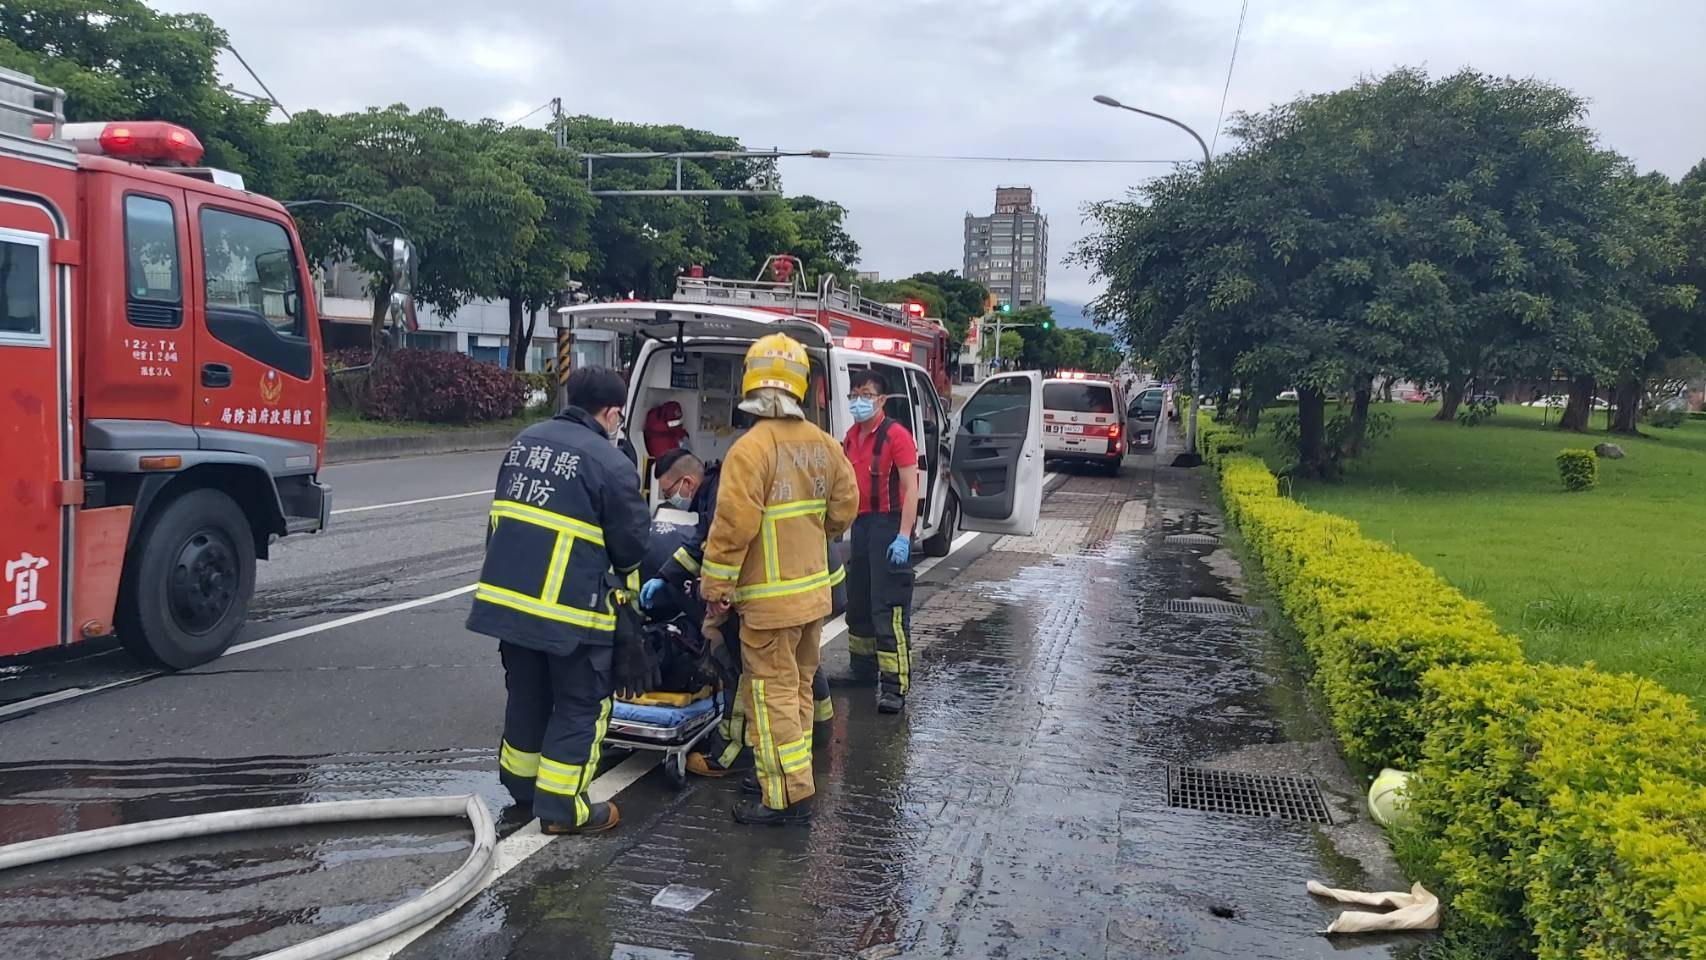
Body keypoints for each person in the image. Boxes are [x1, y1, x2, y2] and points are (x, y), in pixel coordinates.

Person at [466, 367, 651, 835]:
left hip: (510, 606)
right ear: (612, 413)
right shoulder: (610, 463)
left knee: (527, 695)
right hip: (572, 614)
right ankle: (564, 808)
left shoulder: (525, 441)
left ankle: (523, 788)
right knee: (580, 702)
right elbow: (631, 546)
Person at [699, 334, 858, 825]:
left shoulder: (751, 449)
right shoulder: (825, 444)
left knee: (771, 700)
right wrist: (817, 533)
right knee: (801, 689)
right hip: (813, 596)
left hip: (768, 604)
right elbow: (845, 507)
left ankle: (782, 798)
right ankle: (799, 780)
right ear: (800, 386)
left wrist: (715, 589)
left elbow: (732, 528)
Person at [641, 449, 839, 778]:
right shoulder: (720, 489)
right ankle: (818, 730)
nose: (668, 498)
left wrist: (720, 593)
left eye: (668, 491)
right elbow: (704, 543)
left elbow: (728, 545)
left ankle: (732, 754)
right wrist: (665, 576)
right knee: (801, 662)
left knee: (738, 665)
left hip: (773, 590)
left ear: (687, 482)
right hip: (808, 583)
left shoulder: (723, 494)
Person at [841, 368, 920, 715]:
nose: (860, 401)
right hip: (860, 524)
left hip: (889, 525)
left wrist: (904, 536)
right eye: (855, 394)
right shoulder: (851, 436)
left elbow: (911, 489)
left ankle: (894, 684)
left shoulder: (896, 436)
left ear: (882, 400)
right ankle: (862, 669)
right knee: (858, 603)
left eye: (867, 395)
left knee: (886, 608)